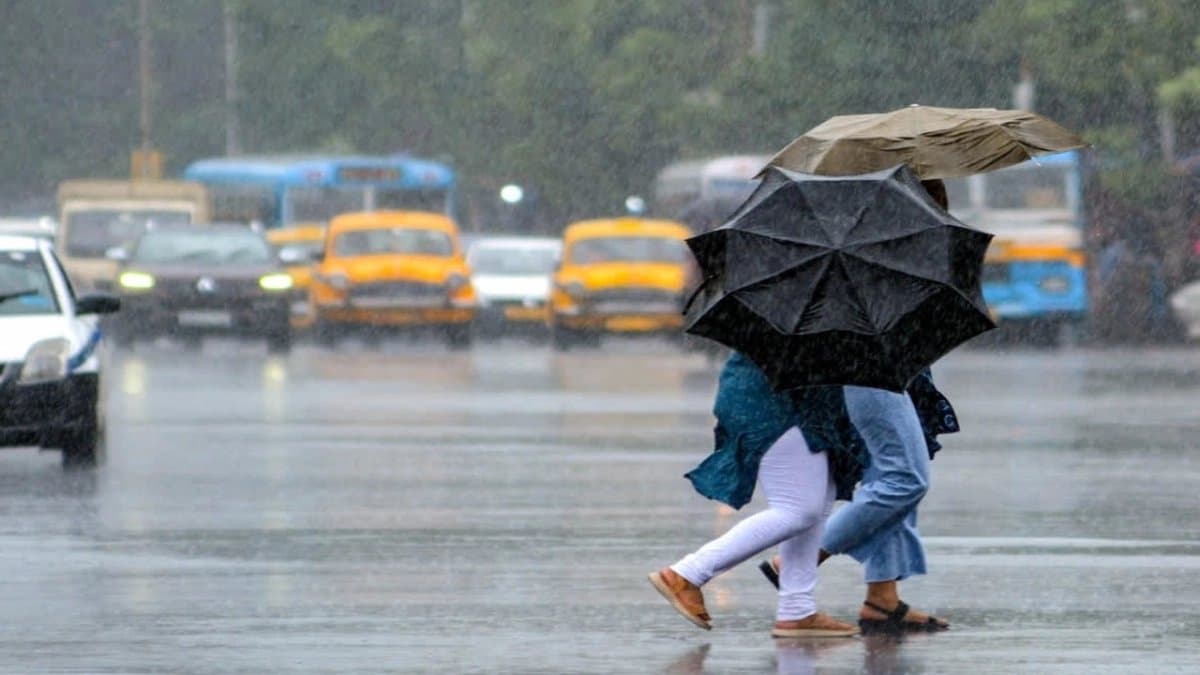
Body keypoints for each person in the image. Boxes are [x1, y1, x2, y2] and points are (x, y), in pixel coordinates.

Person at [647, 351, 867, 638]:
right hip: (775, 406)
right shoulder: (796, 329)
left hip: (801, 405)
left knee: (818, 503)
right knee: (798, 510)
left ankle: (797, 610)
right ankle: (686, 574)